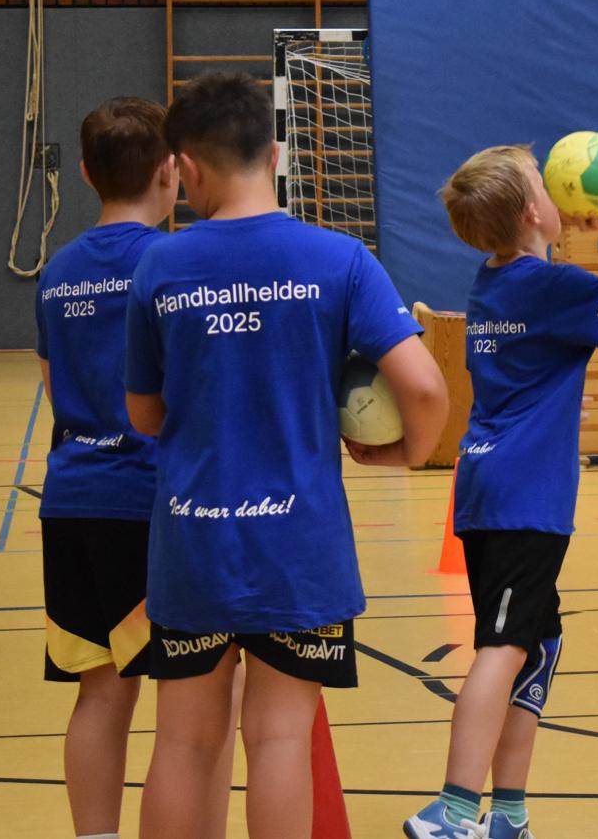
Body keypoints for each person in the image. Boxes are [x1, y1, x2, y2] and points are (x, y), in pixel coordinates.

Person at [123, 73, 450, 838]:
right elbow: (426, 386)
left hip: (194, 545)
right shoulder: (341, 259)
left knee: (183, 741)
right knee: (278, 740)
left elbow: (143, 414)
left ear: (186, 167)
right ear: (275, 155)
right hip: (299, 550)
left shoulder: (159, 267)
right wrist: (408, 453)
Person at [405, 145, 598, 839]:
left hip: (490, 488)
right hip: (524, 498)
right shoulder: (551, 288)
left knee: (539, 646)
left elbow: (533, 365)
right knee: (504, 648)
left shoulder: (494, 279)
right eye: (544, 184)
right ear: (535, 212)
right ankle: (454, 810)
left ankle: (509, 814)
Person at [35, 97, 200, 839]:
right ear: (171, 171)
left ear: (83, 173)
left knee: (99, 694)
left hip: (71, 498)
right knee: (185, 706)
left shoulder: (58, 271)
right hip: (149, 503)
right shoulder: (171, 263)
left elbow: (54, 387)